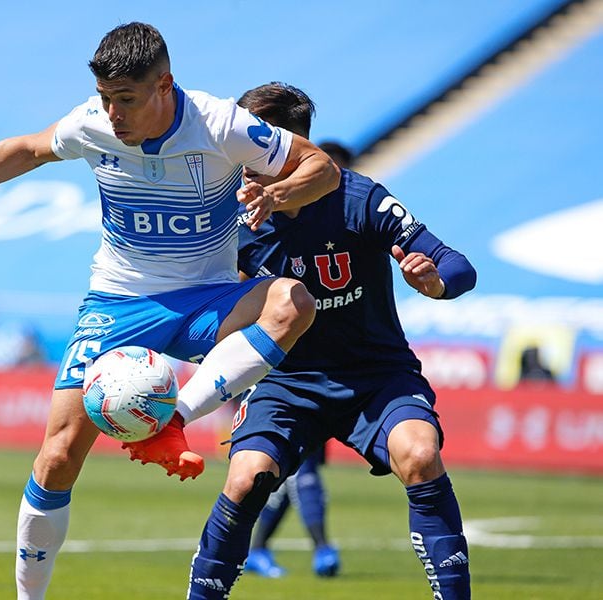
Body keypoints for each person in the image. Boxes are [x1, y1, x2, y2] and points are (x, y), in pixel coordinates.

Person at [0, 23, 340, 599]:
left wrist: (279, 193)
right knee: (57, 456)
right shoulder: (92, 123)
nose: (113, 113)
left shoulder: (220, 123)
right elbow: (27, 148)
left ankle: (171, 422)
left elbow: (323, 167)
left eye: (127, 99)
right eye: (105, 98)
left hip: (205, 298)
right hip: (118, 299)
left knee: (293, 301)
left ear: (165, 85)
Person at [186, 82, 476, 599]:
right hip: (287, 381)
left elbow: (458, 267)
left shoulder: (359, 197)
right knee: (246, 477)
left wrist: (432, 281)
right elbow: (196, 303)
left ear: (293, 146)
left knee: (420, 454)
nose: (242, 157)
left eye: (255, 143)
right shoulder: (233, 217)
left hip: (376, 377)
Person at [245, 140, 356, 580]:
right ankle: (323, 549)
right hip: (284, 371)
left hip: (327, 369)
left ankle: (257, 550)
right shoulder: (269, 228)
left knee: (290, 473)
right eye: (329, 174)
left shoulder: (345, 224)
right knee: (299, 466)